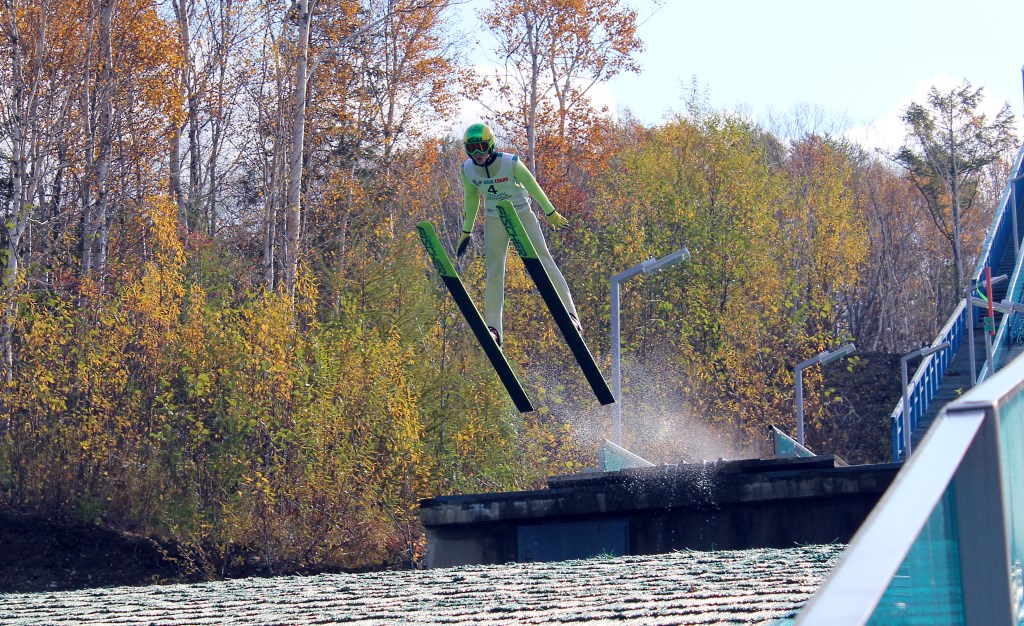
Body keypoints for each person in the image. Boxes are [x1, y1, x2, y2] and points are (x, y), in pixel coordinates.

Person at [456, 122, 581, 347]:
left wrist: (549, 211)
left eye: (482, 147)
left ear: (491, 145)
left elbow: (532, 186)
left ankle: (570, 314)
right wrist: (467, 230)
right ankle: (494, 328)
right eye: (472, 148)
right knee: (494, 270)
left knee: (543, 259)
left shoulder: (509, 162)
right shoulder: (467, 169)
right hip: (495, 217)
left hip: (520, 211)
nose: (478, 154)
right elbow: (472, 199)